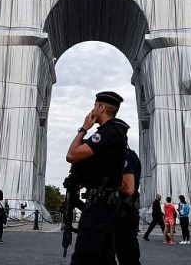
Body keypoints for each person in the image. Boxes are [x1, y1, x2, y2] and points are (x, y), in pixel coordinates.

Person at [65, 91, 128, 264]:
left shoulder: (108, 133)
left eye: (94, 105)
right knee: (105, 259)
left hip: (99, 206)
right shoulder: (115, 132)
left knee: (83, 258)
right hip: (106, 203)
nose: (92, 109)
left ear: (101, 107)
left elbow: (71, 155)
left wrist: (83, 129)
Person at [115, 127, 142, 265]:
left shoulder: (123, 156)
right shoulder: (132, 155)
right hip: (126, 211)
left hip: (122, 212)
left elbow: (128, 188)